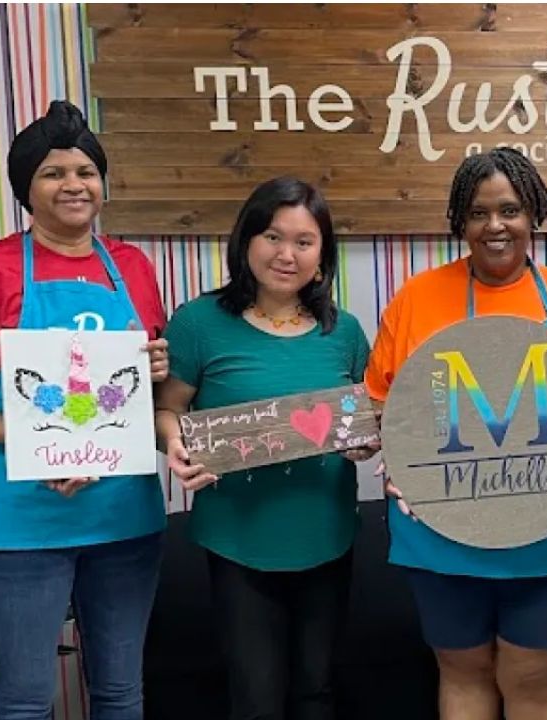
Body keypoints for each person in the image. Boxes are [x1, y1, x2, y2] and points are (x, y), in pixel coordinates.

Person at [0, 100, 170, 720]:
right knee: (26, 700)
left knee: (121, 693)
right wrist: (40, 444)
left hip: (122, 515)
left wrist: (154, 367)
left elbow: (138, 388)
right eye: (53, 173)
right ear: (25, 189)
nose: (73, 185)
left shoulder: (133, 268)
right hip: (17, 519)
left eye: (86, 171)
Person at [364, 148, 547, 720]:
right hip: (441, 526)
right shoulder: (417, 298)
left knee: (537, 677)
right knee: (463, 670)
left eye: (510, 210)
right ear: (461, 219)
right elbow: (382, 406)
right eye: (478, 213)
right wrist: (394, 459)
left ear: (533, 215)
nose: (495, 226)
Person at [152, 177, 371, 720]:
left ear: (321, 256)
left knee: (318, 692)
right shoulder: (199, 323)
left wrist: (367, 443)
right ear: (246, 241)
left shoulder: (344, 332)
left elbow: (365, 418)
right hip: (238, 539)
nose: (286, 254)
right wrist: (175, 444)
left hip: (326, 534)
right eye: (273, 236)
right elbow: (167, 409)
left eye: (304, 241)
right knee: (256, 699)